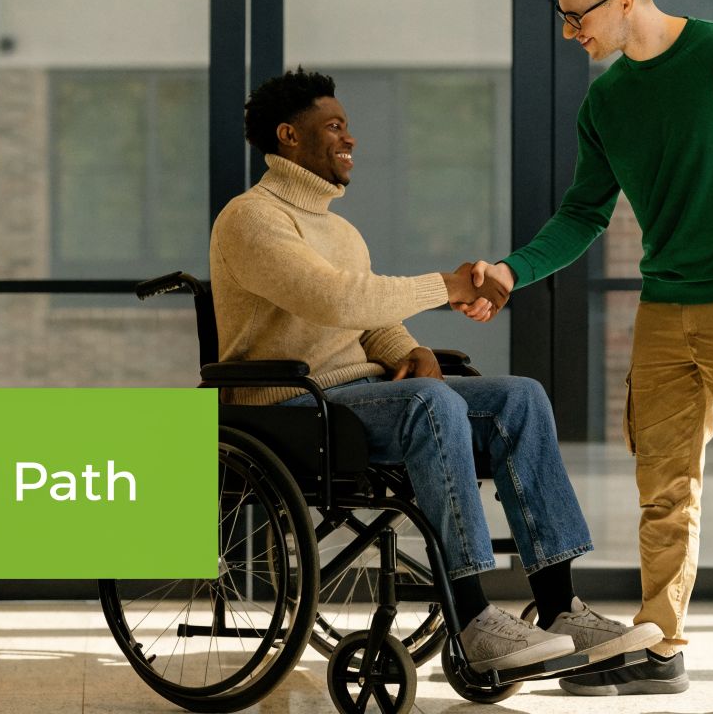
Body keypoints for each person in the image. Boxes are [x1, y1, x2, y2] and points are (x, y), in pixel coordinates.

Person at [209, 67, 661, 674]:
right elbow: (333, 299)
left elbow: (364, 320)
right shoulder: (251, 218)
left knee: (519, 397)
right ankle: (472, 617)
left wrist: (406, 350)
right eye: (335, 126)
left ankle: (559, 607)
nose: (351, 139)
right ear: (288, 136)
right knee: (433, 403)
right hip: (287, 404)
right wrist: (444, 287)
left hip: (358, 397)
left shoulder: (340, 229)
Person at [465, 0, 713, 712]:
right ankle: (661, 647)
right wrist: (512, 271)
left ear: (625, 0)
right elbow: (583, 213)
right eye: (561, 16)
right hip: (663, 309)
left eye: (576, 14)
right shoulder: (608, 104)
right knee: (663, 492)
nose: (568, 32)